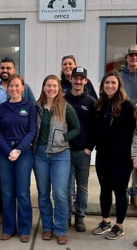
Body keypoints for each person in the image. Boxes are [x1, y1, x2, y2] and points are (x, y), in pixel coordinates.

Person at [87, 70, 135, 240]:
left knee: (120, 192)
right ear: (102, 85)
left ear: (119, 85)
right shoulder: (100, 104)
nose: (110, 86)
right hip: (102, 157)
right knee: (105, 190)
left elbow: (127, 135)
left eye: (113, 83)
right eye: (107, 83)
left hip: (120, 159)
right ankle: (106, 221)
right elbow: (95, 130)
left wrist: (120, 157)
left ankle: (119, 226)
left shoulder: (127, 105)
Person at [33, 74, 80, 245]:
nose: (51, 88)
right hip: (39, 155)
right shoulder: (36, 107)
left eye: (54, 85)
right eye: (48, 85)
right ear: (44, 87)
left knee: (60, 194)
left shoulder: (65, 107)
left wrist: (64, 137)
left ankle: (60, 229)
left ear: (59, 88)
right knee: (43, 193)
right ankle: (47, 227)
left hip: (61, 155)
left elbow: (77, 128)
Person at [0, 57, 35, 227]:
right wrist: (8, 150)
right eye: (11, 86)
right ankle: (8, 227)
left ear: (23, 88)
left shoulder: (29, 106)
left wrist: (19, 149)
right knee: (7, 192)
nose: (14, 88)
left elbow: (32, 130)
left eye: (17, 86)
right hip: (4, 151)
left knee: (22, 192)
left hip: (24, 153)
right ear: (7, 89)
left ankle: (24, 228)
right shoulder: (0, 108)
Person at [64, 67, 96, 232]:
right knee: (67, 186)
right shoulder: (63, 98)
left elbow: (95, 127)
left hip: (83, 152)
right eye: (75, 78)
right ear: (71, 79)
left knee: (82, 186)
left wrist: (89, 147)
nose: (77, 81)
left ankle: (80, 217)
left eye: (81, 78)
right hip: (66, 151)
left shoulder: (91, 101)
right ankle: (67, 216)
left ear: (85, 81)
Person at [120, 44, 137, 203]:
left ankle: (135, 192)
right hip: (124, 125)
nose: (134, 58)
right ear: (126, 58)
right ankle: (124, 192)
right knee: (125, 160)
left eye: (136, 55)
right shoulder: (119, 76)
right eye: (131, 55)